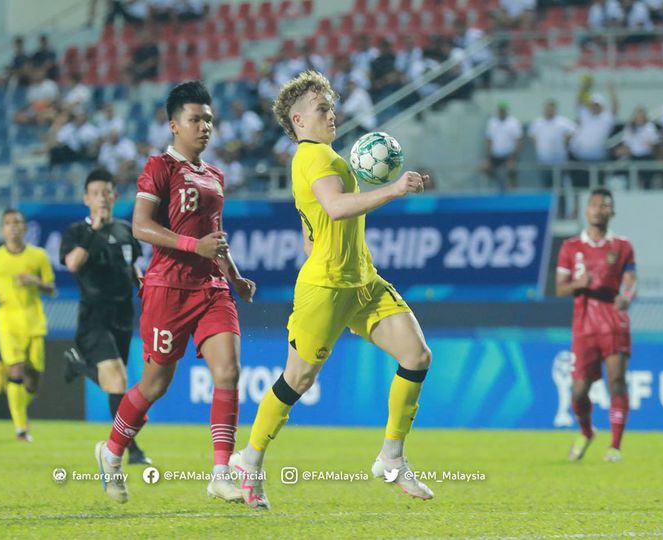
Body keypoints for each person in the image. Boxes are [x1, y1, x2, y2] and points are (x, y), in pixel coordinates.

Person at [230, 71, 434, 510]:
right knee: (297, 380)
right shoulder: (312, 157)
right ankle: (249, 459)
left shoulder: (325, 156)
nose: (331, 114)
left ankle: (392, 456)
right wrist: (395, 189)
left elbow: (313, 226)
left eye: (331, 107)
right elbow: (338, 208)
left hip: (362, 281)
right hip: (325, 288)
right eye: (322, 109)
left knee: (417, 356)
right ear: (299, 120)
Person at [93, 81, 256, 504]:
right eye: (195, 119)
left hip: (211, 288)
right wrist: (192, 247)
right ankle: (111, 452)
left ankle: (220, 473)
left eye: (209, 120)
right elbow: (140, 226)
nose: (205, 127)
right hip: (167, 288)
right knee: (155, 383)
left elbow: (214, 239)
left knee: (229, 371)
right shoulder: (158, 168)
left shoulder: (215, 177)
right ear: (173, 125)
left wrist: (234, 276)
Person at [60, 168, 150, 465]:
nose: (102, 198)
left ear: (114, 195)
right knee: (118, 379)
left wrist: (143, 283)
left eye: (107, 192)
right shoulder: (77, 232)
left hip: (123, 316)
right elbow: (73, 264)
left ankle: (78, 366)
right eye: (96, 193)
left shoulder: (126, 230)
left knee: (117, 384)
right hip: (94, 317)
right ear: (87, 199)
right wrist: (93, 232)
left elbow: (133, 266)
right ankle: (132, 451)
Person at [556, 188, 636, 463]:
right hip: (584, 326)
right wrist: (580, 284)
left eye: (605, 205)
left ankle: (615, 446)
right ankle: (587, 431)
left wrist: (626, 298)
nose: (599, 209)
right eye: (594, 205)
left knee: (616, 382)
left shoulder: (623, 246)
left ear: (612, 211)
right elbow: (560, 288)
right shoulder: (571, 247)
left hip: (615, 323)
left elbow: (631, 282)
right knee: (578, 391)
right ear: (586, 210)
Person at [0, 209, 56, 441]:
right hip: (7, 322)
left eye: (18, 222)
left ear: (25, 228)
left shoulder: (38, 256)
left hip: (34, 322)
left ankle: (19, 405)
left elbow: (52, 289)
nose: (13, 227)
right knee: (16, 368)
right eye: (9, 223)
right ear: (3, 229)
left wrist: (35, 281)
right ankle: (21, 428)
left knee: (33, 382)